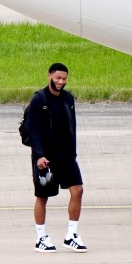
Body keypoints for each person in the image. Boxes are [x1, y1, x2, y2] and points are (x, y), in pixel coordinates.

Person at [26, 62, 86, 253]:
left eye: (64, 79)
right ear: (49, 76)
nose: (61, 82)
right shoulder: (39, 100)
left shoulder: (68, 98)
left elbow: (72, 127)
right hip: (46, 158)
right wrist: (39, 156)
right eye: (58, 78)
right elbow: (32, 130)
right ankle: (41, 238)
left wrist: (73, 152)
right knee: (43, 197)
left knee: (77, 190)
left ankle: (71, 235)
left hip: (66, 156)